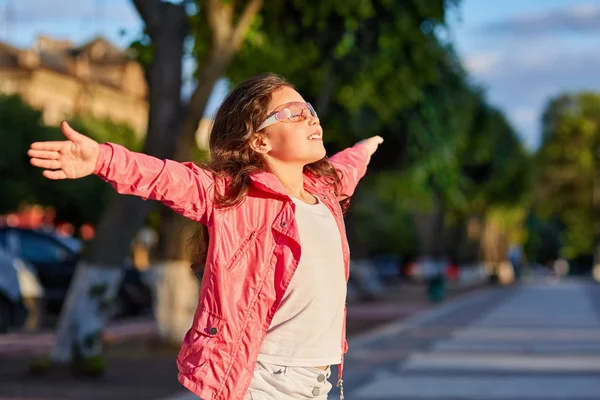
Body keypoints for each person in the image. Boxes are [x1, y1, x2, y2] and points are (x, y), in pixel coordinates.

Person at [28, 73, 382, 400]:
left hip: (318, 381)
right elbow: (163, 177)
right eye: (292, 112)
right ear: (259, 140)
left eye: (308, 109)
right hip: (261, 381)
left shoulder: (323, 190)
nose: (310, 117)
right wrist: (102, 159)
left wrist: (364, 149)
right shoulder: (232, 196)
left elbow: (346, 168)